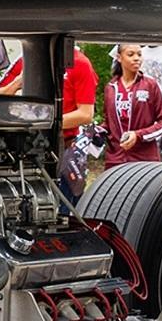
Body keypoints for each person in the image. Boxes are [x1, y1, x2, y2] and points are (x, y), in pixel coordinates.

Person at [102, 43, 162, 169]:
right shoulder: (110, 88)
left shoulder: (150, 85)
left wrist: (138, 135)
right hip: (115, 160)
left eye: (139, 54)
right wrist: (97, 132)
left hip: (144, 161)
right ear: (119, 57)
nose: (136, 58)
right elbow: (108, 123)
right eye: (130, 54)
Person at [56, 47, 100, 204]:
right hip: (32, 150)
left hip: (65, 150)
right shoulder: (28, 59)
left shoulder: (80, 63)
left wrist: (45, 122)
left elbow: (85, 114)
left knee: (64, 208)